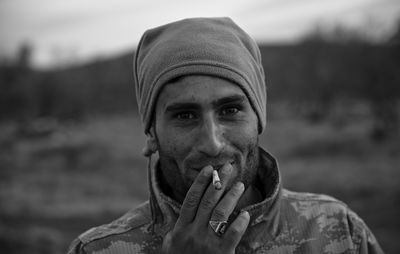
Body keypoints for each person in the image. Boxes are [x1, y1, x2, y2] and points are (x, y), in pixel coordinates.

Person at [67, 17, 384, 254]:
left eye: (230, 110)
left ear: (258, 118)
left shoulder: (339, 231)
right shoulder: (98, 249)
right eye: (185, 115)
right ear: (151, 133)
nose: (213, 143)